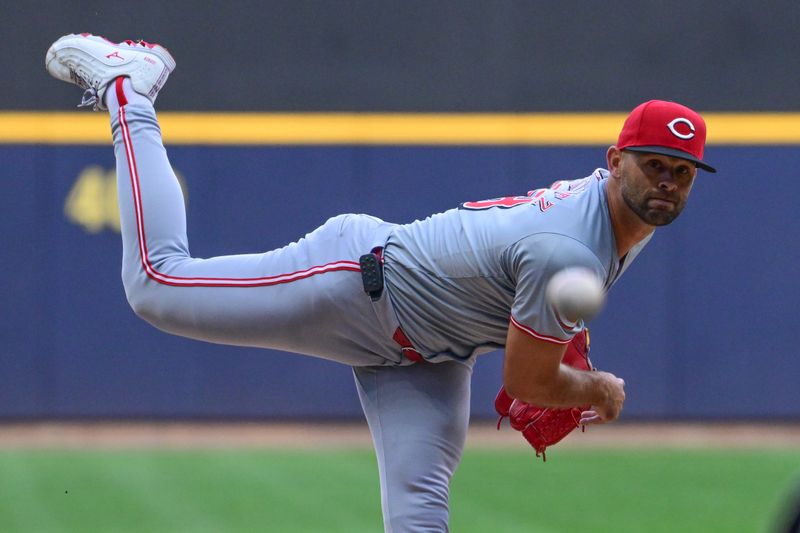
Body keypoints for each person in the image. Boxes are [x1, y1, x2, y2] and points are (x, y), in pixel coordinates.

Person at [46, 33, 715, 532]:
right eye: (654, 164)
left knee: (420, 512)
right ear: (615, 161)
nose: (666, 181)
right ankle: (131, 89)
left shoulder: (618, 217)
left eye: (681, 171)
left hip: (428, 357)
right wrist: (594, 386)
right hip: (361, 285)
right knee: (157, 285)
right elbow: (527, 380)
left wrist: (552, 338)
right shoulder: (569, 247)